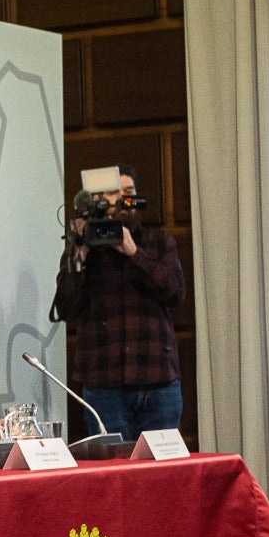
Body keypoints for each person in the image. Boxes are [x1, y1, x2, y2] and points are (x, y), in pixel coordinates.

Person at [50, 166, 186, 441]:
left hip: (157, 380)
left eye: (129, 193)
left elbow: (175, 292)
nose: (123, 199)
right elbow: (65, 307)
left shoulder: (157, 242)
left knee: (160, 475)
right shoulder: (82, 249)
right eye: (114, 193)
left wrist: (133, 252)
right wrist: (81, 253)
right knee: (113, 474)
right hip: (103, 385)